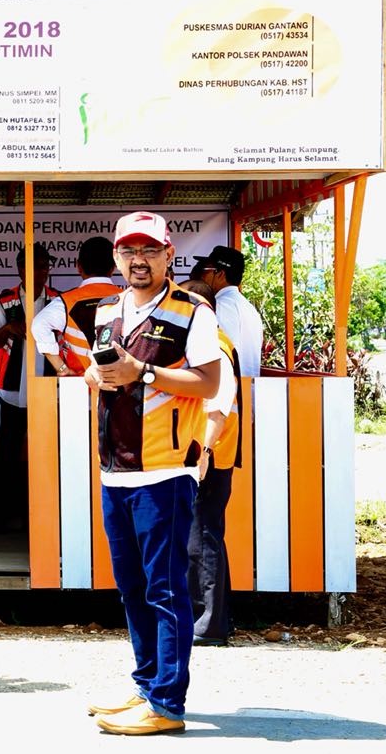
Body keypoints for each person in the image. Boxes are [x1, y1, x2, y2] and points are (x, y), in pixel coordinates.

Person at [83, 212, 221, 735]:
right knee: (132, 588)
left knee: (165, 590)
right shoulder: (105, 312)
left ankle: (167, 704)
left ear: (168, 255)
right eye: (128, 251)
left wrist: (144, 371)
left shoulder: (193, 313)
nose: (138, 260)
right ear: (116, 257)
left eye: (149, 250)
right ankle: (146, 686)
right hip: (115, 471)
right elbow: (99, 373)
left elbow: (209, 383)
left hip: (164, 471)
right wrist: (98, 372)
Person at [180, 280, 242, 647]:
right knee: (208, 536)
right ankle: (219, 618)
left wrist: (202, 452)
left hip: (211, 455)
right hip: (215, 452)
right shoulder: (215, 344)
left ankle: (207, 624)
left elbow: (216, 410)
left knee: (201, 539)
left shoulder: (214, 349)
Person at [0, 242, 60, 532]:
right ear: (20, 269)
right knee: (7, 458)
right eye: (34, 266)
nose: (40, 271)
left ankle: (43, 519)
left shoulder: (58, 300)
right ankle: (1, 518)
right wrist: (8, 329)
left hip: (48, 393)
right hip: (12, 393)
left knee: (46, 458)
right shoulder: (5, 301)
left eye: (44, 266)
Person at [32, 236, 122, 376]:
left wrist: (62, 368)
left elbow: (38, 325)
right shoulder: (129, 298)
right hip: (120, 385)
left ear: (78, 266)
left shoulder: (65, 302)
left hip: (79, 386)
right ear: (114, 267)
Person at [192, 245, 263, 378]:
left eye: (205, 270)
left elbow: (220, 355)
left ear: (220, 274)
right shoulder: (248, 308)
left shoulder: (220, 306)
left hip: (228, 393)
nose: (201, 275)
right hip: (246, 392)